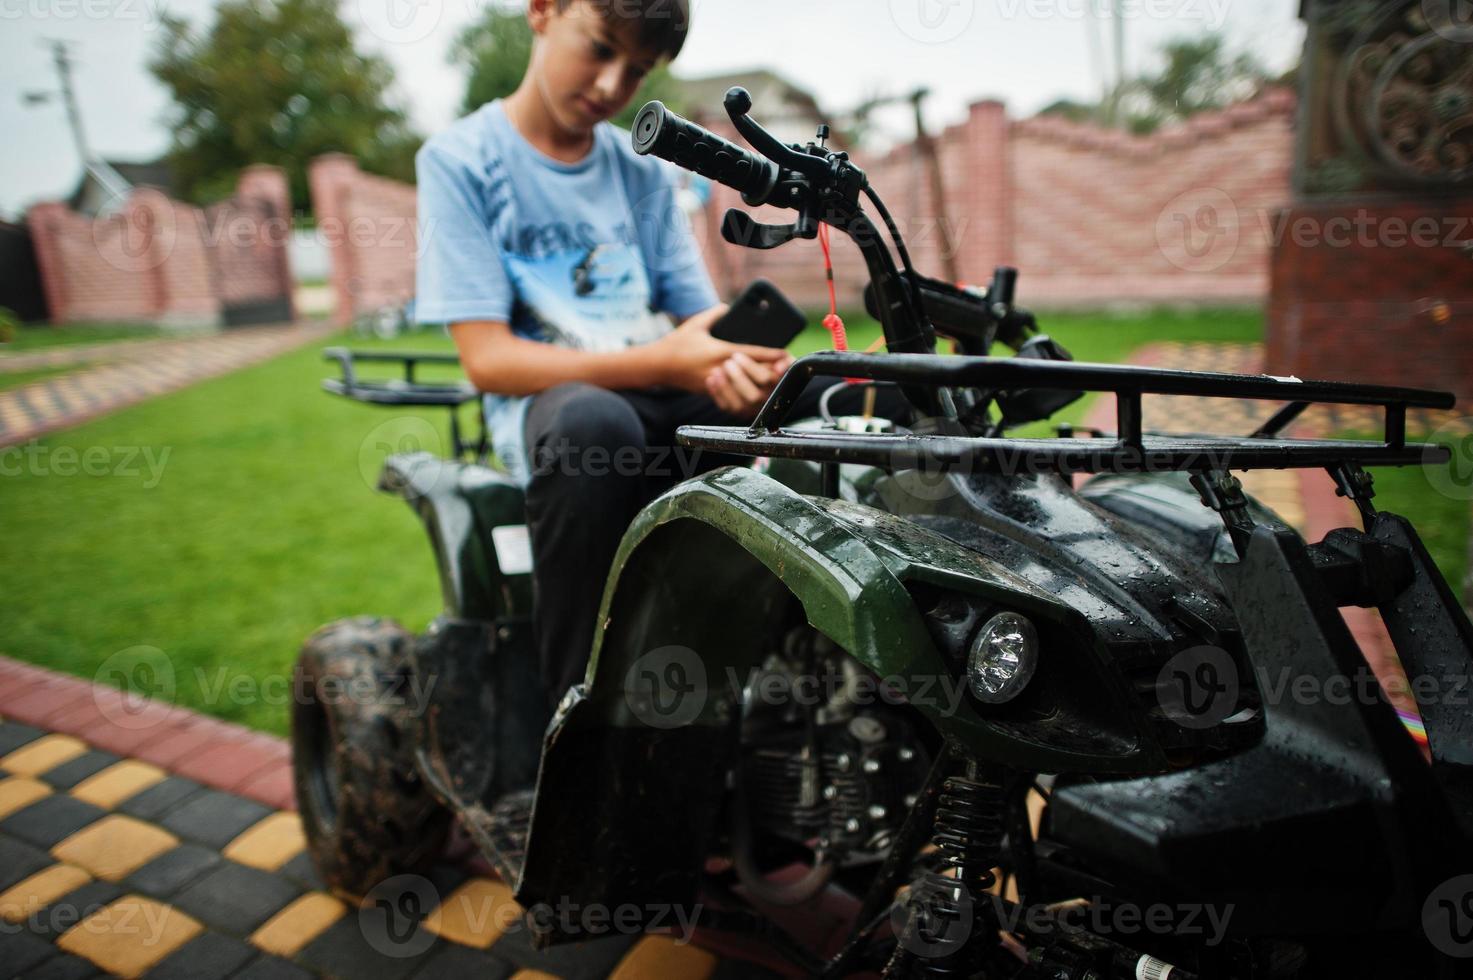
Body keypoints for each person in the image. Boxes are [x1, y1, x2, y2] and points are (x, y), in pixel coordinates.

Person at [416, 0, 901, 708]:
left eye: (637, 69)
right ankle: (575, 720)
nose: (614, 85)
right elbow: (489, 361)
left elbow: (695, 314)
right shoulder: (461, 161)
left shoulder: (639, 169)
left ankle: (741, 689)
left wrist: (733, 360)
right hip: (556, 407)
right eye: (601, 48)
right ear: (543, 11)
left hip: (659, 380)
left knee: (838, 400)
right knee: (593, 429)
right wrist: (671, 362)